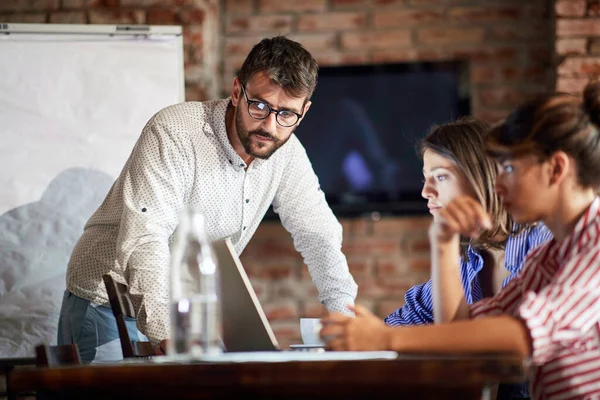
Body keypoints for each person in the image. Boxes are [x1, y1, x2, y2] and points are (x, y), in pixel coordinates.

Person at [58, 35, 358, 363]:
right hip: (109, 305)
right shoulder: (175, 132)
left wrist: (344, 319)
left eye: (287, 114)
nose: (270, 126)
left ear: (304, 111)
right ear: (235, 91)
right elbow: (147, 237)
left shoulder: (287, 155)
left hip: (185, 312)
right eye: (259, 105)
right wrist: (168, 331)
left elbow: (319, 236)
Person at [321, 80, 600, 400]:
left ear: (555, 169)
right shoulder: (549, 258)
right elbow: (461, 330)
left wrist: (385, 339)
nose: (499, 183)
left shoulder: (596, 242)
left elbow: (522, 335)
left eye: (508, 167)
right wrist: (442, 242)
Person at [384, 117, 552, 399]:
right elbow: (405, 322)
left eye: (440, 176)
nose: (426, 192)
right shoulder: (469, 263)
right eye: (425, 178)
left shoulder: (545, 240)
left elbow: (519, 338)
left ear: (480, 176)